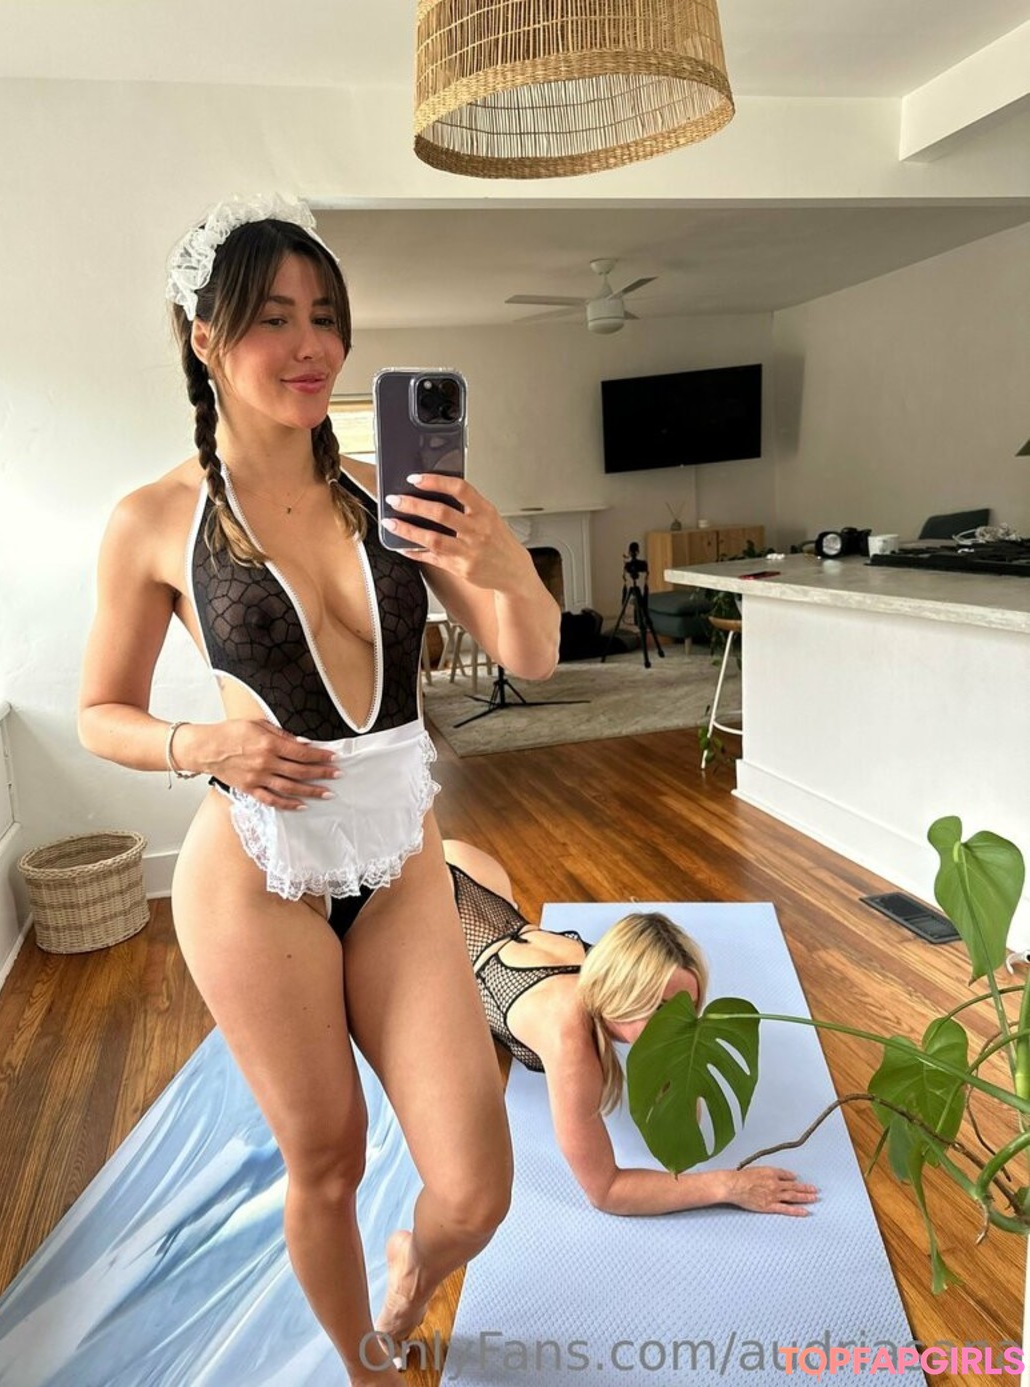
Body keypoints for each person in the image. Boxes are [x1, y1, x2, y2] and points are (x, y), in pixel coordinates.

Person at [77, 194, 561, 1387]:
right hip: (257, 872)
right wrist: (206, 745)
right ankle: (367, 1365)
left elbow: (535, 655)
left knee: (476, 1189)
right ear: (205, 339)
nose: (312, 347)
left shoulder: (394, 497)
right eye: (275, 319)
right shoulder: (154, 521)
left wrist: (501, 559)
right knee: (328, 1158)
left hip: (400, 860)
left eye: (328, 317)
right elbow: (100, 713)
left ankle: (410, 1273)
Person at [442, 840, 819, 1218]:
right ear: (623, 997)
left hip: (478, 875)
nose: (677, 1024)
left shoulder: (615, 965)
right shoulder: (567, 1035)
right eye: (657, 1008)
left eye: (686, 1007)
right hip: (443, 918)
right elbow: (605, 1189)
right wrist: (729, 1186)